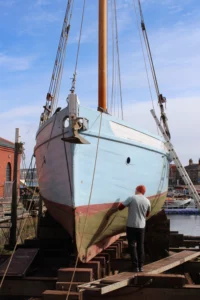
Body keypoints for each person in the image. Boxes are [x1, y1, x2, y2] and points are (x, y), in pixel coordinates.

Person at [118, 185, 151, 272]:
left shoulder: (132, 198)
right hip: (141, 226)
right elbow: (147, 214)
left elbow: (120, 207)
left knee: (132, 246)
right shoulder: (147, 201)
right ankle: (141, 266)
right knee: (140, 246)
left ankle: (135, 266)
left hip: (131, 225)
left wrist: (117, 203)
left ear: (137, 190)